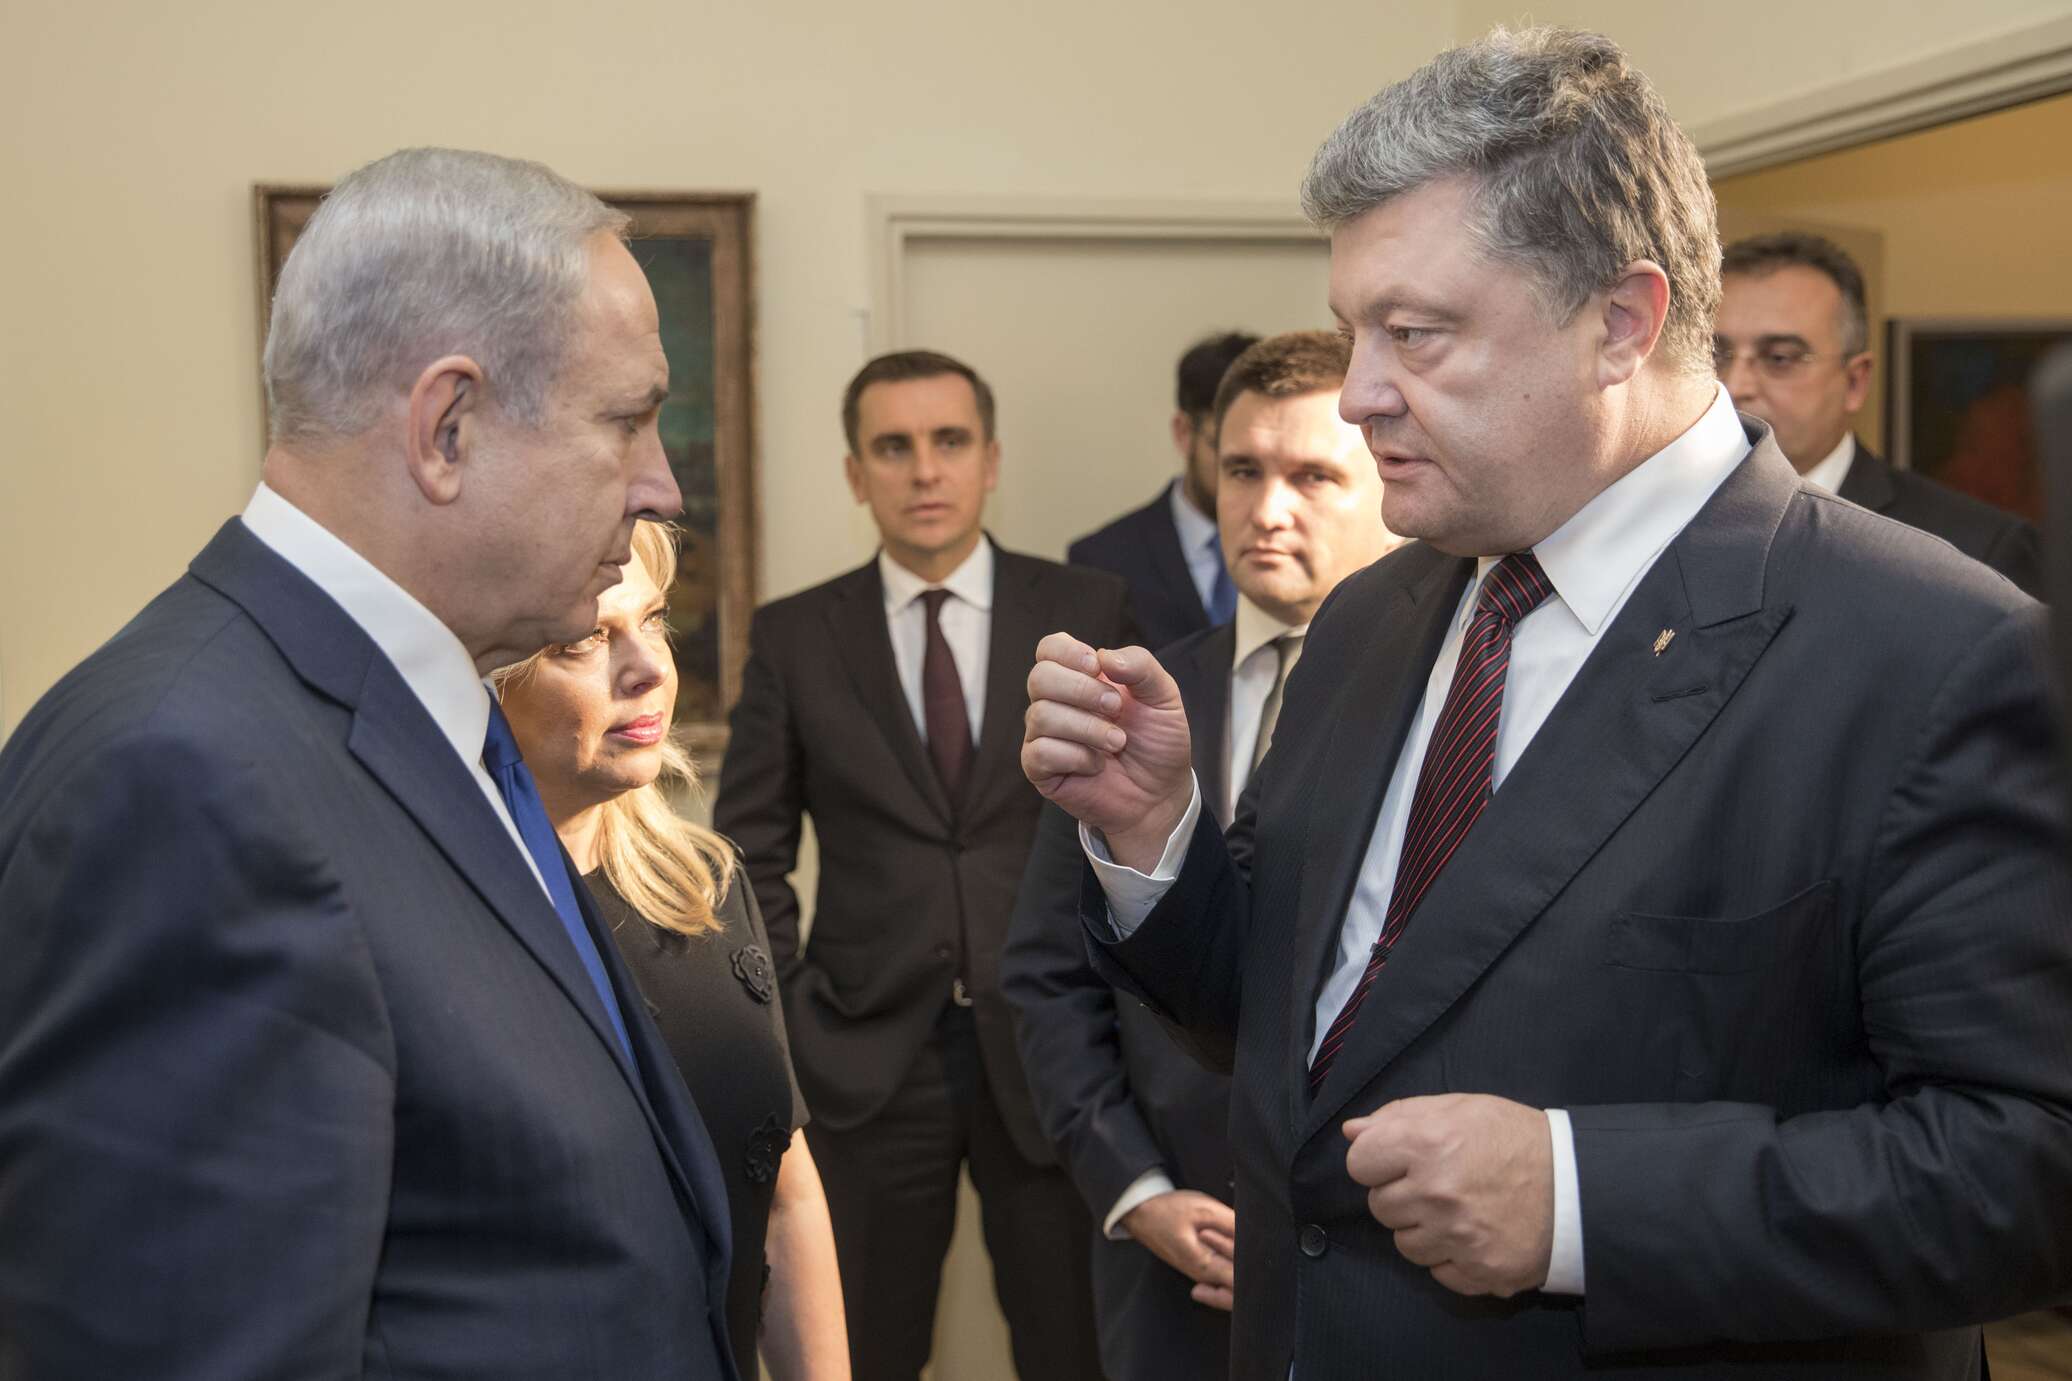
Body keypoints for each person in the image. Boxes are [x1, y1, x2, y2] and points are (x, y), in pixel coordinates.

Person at [1022, 28, 2072, 1380]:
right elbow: (1304, 1024)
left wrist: (1584, 1201)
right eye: (1351, 334)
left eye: (1415, 334)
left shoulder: (1938, 653)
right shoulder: (1373, 617)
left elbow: (2028, 1166)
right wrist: (1155, 837)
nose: (1360, 394)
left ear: (1620, 323)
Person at [0, 148, 741, 1379]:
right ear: (446, 429)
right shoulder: (183, 780)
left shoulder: (424, 709)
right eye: (626, 421)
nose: (661, 485)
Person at [715, 350, 1130, 1381]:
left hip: (1052, 1049)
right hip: (864, 1057)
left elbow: (1138, 824)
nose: (924, 470)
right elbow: (749, 850)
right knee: (863, 1348)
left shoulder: (1088, 609)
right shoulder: (796, 635)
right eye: (893, 447)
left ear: (991, 459)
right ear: (856, 473)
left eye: (949, 441)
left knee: (1073, 1347)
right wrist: (788, 1014)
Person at [1004, 329, 1402, 1381]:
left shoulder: (1449, 707)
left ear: (1389, 481)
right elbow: (1047, 972)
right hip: (1170, 1251)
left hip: (1380, 1251)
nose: (1266, 509)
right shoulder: (1131, 698)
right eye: (1242, 471)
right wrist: (1136, 1191)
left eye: (1312, 476)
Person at [496, 519, 849, 1381]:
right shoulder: (449, 912)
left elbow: (785, 1198)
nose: (649, 667)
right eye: (587, 638)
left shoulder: (705, 885)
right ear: (487, 679)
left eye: (652, 619)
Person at [1716, 231, 2041, 592]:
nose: (1734, 386)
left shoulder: (1977, 549)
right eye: (1714, 354)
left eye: (1779, 358)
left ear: (1855, 382)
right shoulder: (1678, 514)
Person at [1068, 331, 1262, 647]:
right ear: (1184, 433)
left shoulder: (1298, 543)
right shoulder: (1102, 560)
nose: (1243, 476)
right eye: (1225, 450)